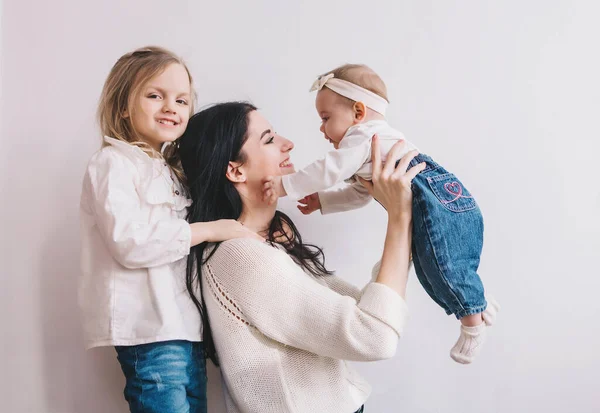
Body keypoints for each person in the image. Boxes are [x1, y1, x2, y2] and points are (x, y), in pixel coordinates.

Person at [179, 101, 424, 412]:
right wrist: (400, 218)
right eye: (268, 139)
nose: (288, 144)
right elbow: (374, 335)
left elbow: (367, 311)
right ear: (235, 169)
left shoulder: (271, 240)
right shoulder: (241, 256)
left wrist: (405, 218)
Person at [264, 64, 500, 364]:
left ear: (358, 113)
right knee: (434, 271)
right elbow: (363, 194)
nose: (321, 129)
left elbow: (328, 169)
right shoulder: (376, 147)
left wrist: (285, 185)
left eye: (326, 118)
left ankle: (472, 326)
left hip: (433, 201)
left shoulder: (363, 138)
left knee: (441, 270)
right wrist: (324, 202)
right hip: (450, 195)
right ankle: (479, 302)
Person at [78, 47, 260, 413]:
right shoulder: (113, 163)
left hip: (184, 328)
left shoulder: (171, 170)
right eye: (154, 95)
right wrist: (207, 230)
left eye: (181, 99)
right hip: (149, 331)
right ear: (123, 106)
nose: (171, 107)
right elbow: (130, 243)